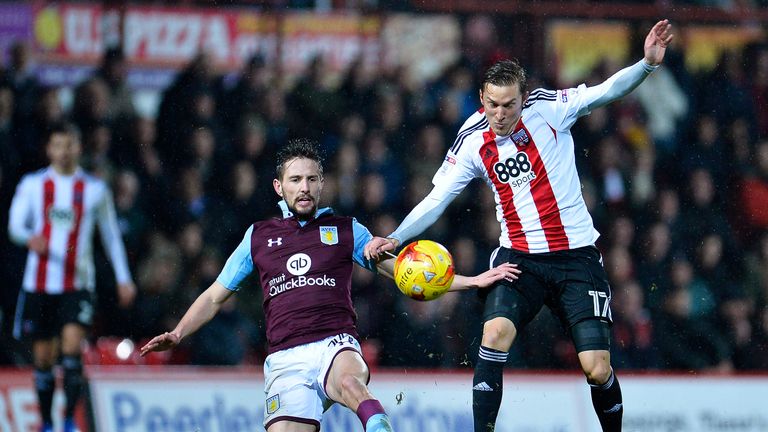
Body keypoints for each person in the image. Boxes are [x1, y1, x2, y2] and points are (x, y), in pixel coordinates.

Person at [364, 19, 675, 432]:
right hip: (519, 259)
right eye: (492, 104)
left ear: (523, 98)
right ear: (481, 98)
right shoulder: (472, 138)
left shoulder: (548, 108)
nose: (500, 114)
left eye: (509, 105)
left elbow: (605, 92)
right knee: (493, 337)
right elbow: (437, 197)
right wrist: (397, 237)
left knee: (597, 368)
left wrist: (647, 65)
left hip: (576, 257)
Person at [139, 138, 519, 432]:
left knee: (350, 382)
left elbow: (408, 273)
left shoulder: (346, 230)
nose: (303, 187)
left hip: (334, 343)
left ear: (322, 183)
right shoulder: (258, 236)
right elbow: (214, 295)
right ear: (278, 186)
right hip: (285, 357)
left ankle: (379, 424)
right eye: (295, 180)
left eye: (311, 179)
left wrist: (472, 282)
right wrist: (178, 332)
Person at [8, 122, 136, 432]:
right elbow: (14, 225)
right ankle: (48, 422)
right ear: (49, 149)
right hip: (39, 283)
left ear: (79, 148)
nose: (64, 151)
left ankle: (68, 421)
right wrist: (29, 238)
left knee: (70, 347)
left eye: (70, 145)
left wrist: (124, 277)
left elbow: (111, 238)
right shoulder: (32, 185)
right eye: (58, 145)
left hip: (78, 285)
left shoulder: (94, 190)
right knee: (43, 359)